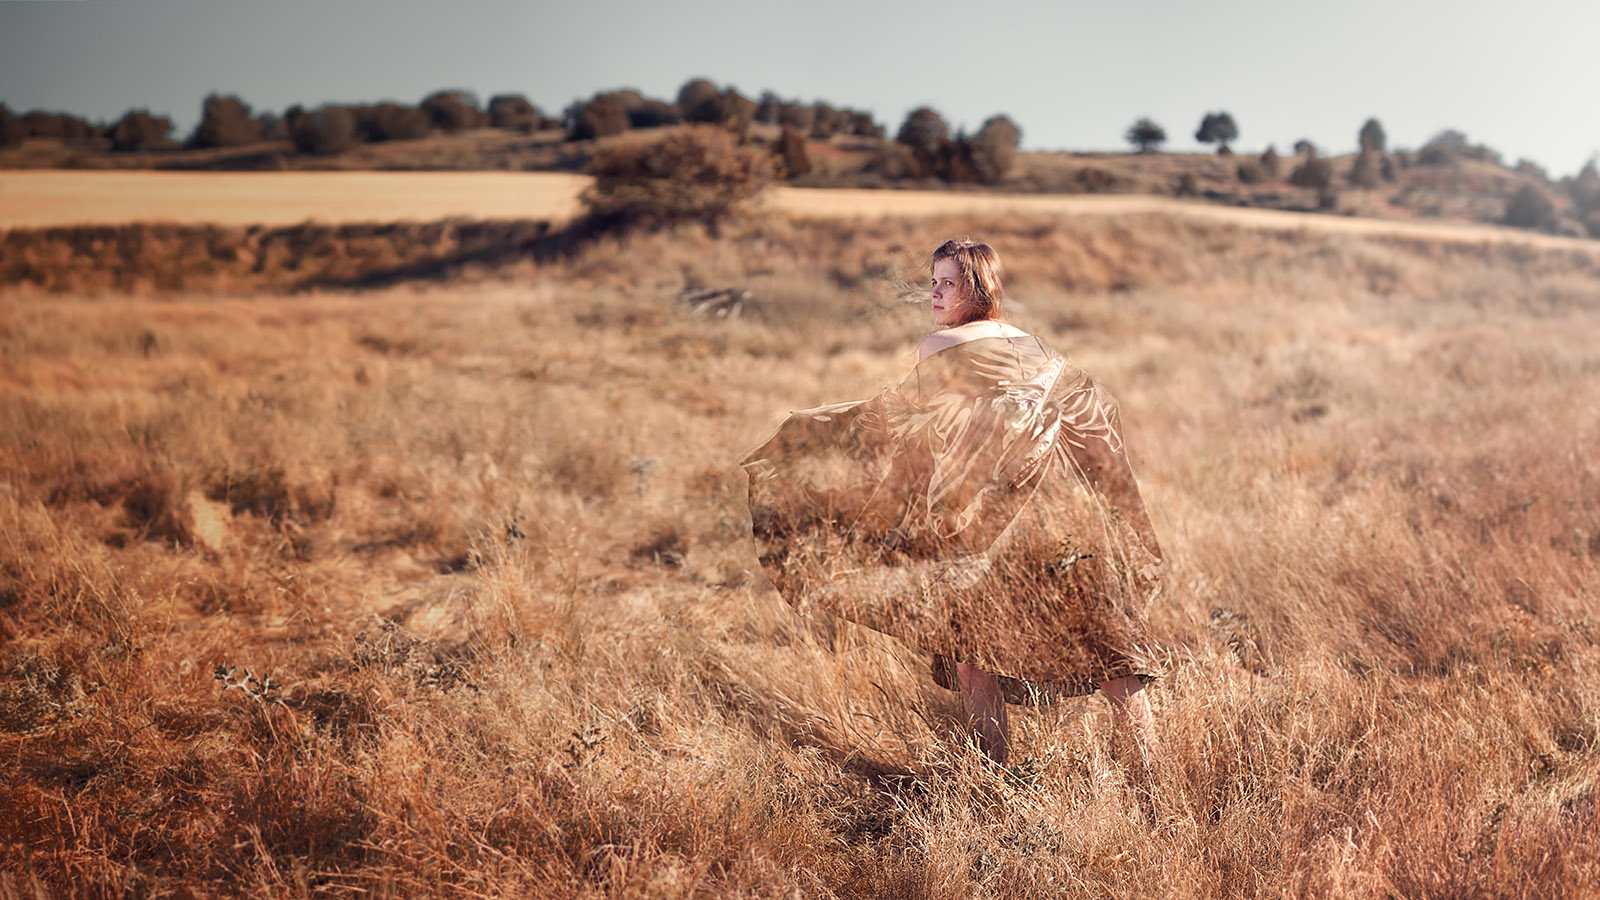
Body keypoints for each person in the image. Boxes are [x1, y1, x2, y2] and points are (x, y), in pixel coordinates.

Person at [742, 238, 1164, 768]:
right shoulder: (1036, 346)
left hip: (987, 522)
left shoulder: (939, 345)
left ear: (978, 287)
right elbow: (1094, 412)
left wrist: (820, 433)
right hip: (1067, 515)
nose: (935, 294)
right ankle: (1153, 787)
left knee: (974, 656)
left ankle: (997, 786)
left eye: (947, 283)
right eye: (933, 282)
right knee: (1113, 658)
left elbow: (911, 428)